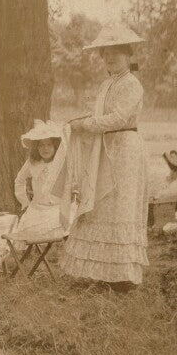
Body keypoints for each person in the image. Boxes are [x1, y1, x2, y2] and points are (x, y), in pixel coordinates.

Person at [61, 25, 149, 290]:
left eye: (116, 54)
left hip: (124, 149)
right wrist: (82, 122)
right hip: (106, 148)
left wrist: (85, 124)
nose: (110, 59)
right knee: (101, 205)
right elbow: (100, 117)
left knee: (120, 205)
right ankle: (101, 272)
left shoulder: (132, 84)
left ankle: (122, 277)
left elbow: (119, 118)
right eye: (105, 54)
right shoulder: (107, 84)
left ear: (128, 55)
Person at [13, 120, 70, 243]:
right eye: (41, 145)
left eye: (49, 145)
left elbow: (71, 185)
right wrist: (25, 202)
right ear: (36, 147)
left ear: (55, 147)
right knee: (29, 230)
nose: (45, 149)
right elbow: (19, 181)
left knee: (59, 227)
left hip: (56, 209)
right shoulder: (32, 163)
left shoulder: (61, 163)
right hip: (36, 209)